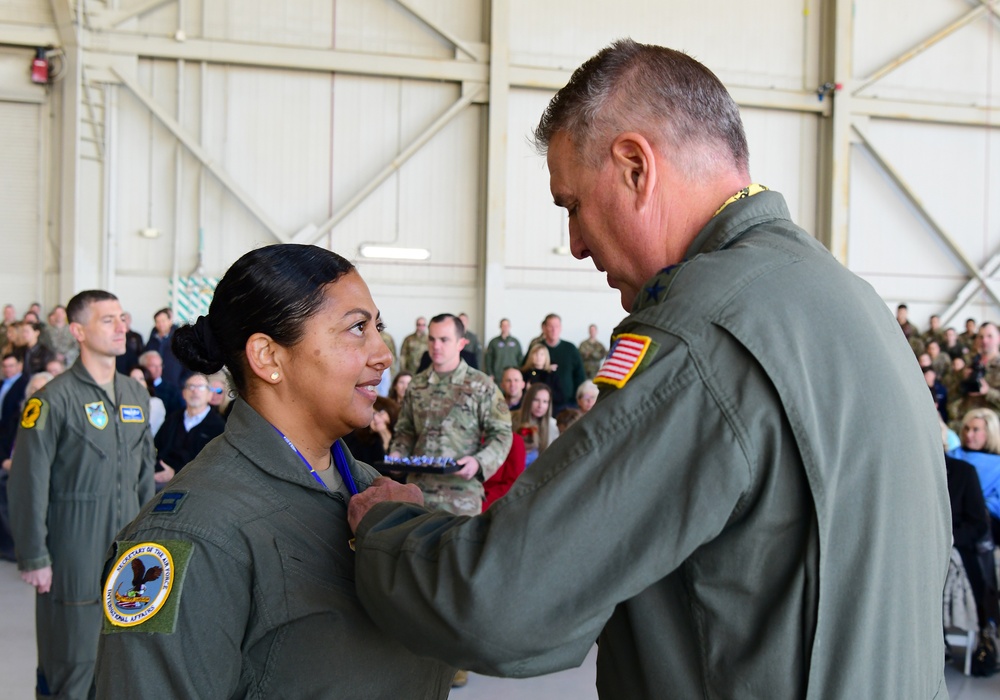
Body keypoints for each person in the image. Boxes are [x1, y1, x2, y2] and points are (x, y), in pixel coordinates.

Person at [345, 39, 949, 699]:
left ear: (635, 165)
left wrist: (389, 528)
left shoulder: (699, 332)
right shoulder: (846, 301)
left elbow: (505, 602)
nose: (575, 244)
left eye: (572, 205)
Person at [95, 244, 453, 698]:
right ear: (267, 357)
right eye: (358, 328)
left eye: (377, 326)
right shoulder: (192, 534)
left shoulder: (375, 493)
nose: (383, 353)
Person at [8, 290, 155, 699]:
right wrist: (35, 556)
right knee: (72, 664)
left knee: (124, 664)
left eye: (122, 317)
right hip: (73, 551)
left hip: (128, 552)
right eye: (107, 320)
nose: (121, 326)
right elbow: (28, 482)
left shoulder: (134, 395)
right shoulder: (51, 400)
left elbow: (144, 475)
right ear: (78, 330)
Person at [390, 313, 512, 517]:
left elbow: (502, 433)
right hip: (416, 494)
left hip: (460, 498)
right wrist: (397, 454)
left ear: (461, 343)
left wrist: (479, 462)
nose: (436, 346)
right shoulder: (416, 385)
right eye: (432, 339)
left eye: (444, 340)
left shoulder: (481, 386)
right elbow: (406, 430)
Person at [151, 373, 226, 487]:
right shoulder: (172, 419)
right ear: (183, 393)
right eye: (190, 387)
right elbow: (155, 448)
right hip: (160, 479)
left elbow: (216, 466)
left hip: (197, 486)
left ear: (209, 395)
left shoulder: (219, 427)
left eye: (201, 387)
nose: (195, 391)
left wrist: (175, 473)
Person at [948, 408, 1000, 544]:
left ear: (990, 432)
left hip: (981, 527)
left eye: (975, 430)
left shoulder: (997, 465)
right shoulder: (950, 457)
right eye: (966, 428)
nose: (969, 434)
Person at [536, 313, 586, 413]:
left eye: (557, 326)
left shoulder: (570, 348)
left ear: (561, 328)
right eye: (550, 326)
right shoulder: (537, 348)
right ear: (544, 328)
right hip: (541, 405)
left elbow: (580, 376)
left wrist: (577, 399)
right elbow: (528, 371)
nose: (554, 330)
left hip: (568, 403)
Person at [512, 383, 558, 466]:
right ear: (528, 401)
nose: (540, 406)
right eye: (536, 400)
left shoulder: (553, 425)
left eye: (545, 402)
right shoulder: (512, 419)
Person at [128, 365, 166, 436]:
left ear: (147, 383)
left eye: (141, 379)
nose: (137, 382)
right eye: (133, 379)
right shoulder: (122, 402)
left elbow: (148, 430)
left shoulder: (155, 403)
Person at [484, 318, 523, 384]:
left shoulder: (515, 342)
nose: (505, 327)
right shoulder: (493, 342)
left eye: (507, 325)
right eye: (503, 325)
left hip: (512, 378)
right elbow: (488, 359)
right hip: (497, 377)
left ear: (510, 326)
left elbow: (520, 359)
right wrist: (490, 374)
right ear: (500, 326)